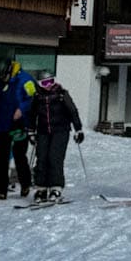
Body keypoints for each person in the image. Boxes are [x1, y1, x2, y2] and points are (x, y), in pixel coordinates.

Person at [30, 71, 84, 202]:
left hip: (60, 130)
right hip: (43, 131)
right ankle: (41, 188)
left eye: (50, 81)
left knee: (55, 158)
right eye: (45, 83)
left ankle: (56, 187)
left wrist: (78, 129)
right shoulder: (37, 97)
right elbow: (32, 115)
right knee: (41, 158)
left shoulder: (61, 94)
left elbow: (72, 111)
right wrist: (31, 131)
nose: (48, 85)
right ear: (40, 84)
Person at [0, 57, 36, 200]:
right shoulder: (0, 83)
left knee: (19, 153)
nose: (2, 79)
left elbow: (33, 98)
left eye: (4, 76)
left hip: (20, 123)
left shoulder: (25, 80)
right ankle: (1, 190)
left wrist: (21, 110)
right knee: (2, 156)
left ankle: (25, 183)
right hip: (4, 123)